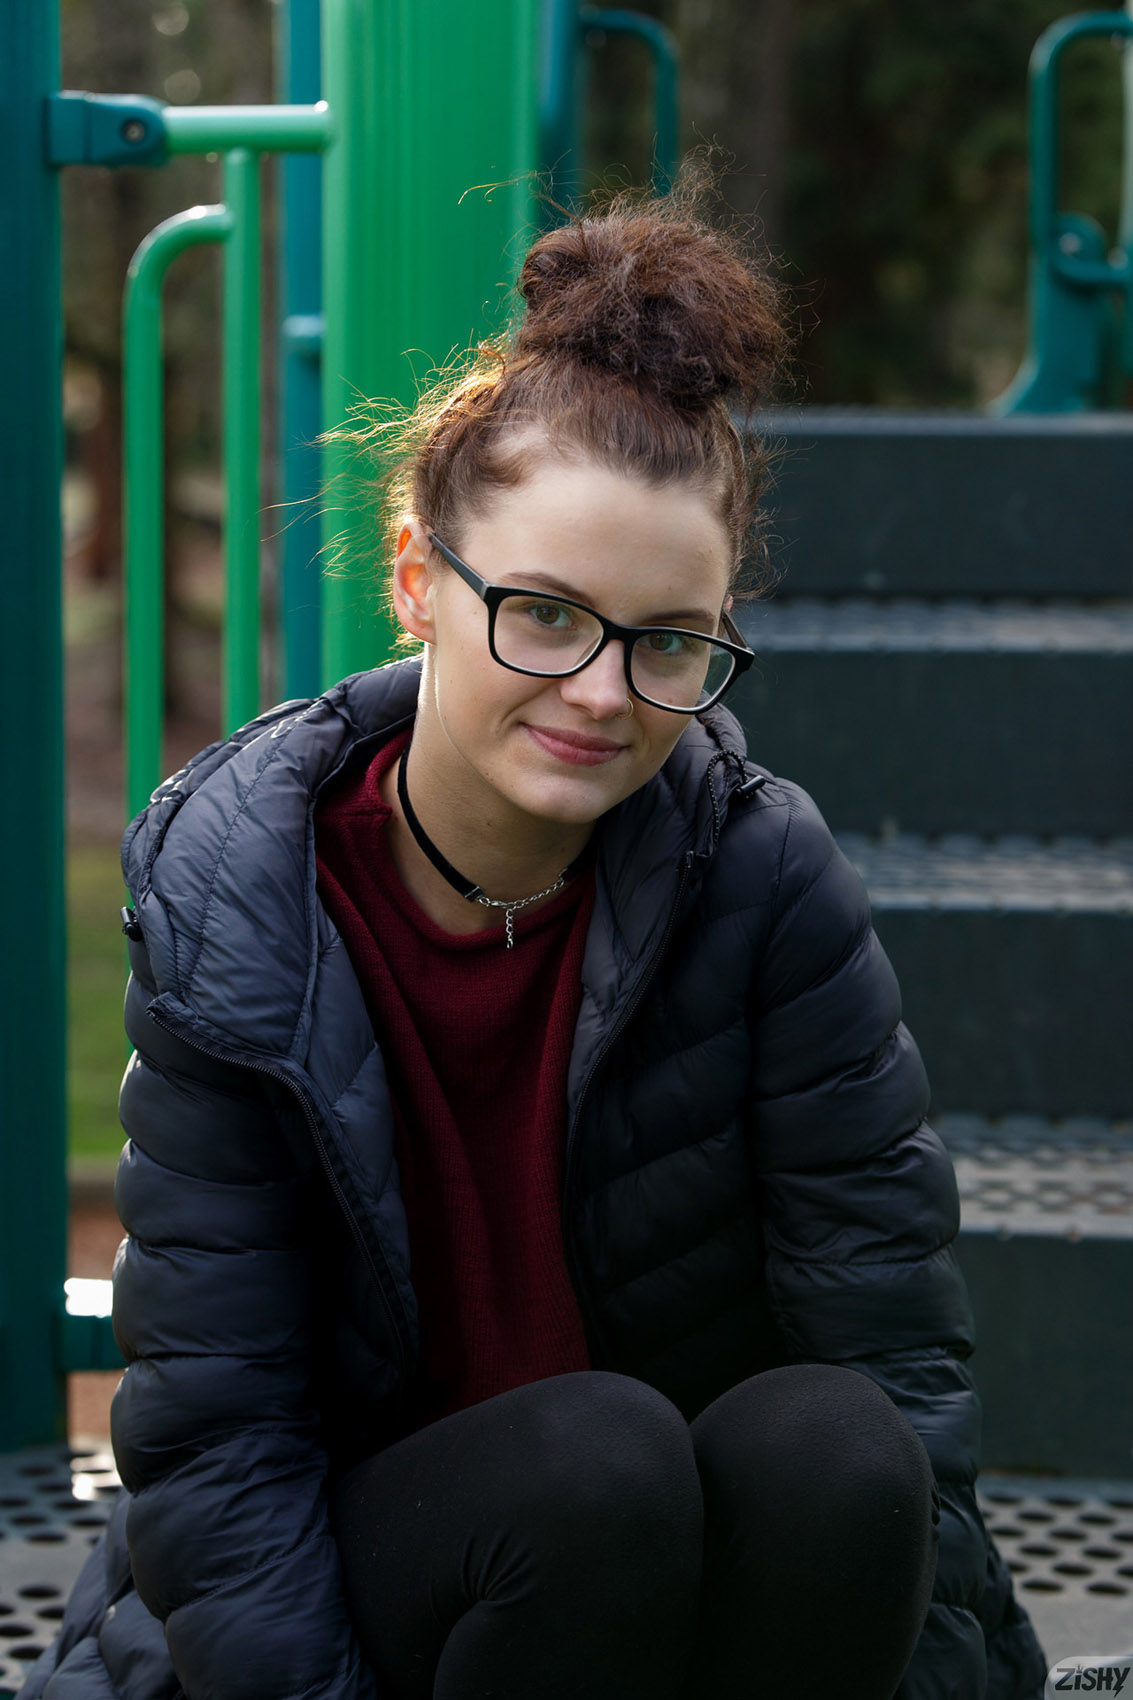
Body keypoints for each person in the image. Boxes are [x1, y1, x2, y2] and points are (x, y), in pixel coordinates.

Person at [23, 178, 1047, 1700]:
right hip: (382, 1593)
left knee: (838, 1445)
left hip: (664, 1584)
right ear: (416, 580)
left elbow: (892, 1349)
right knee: (588, 1466)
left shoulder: (762, 877)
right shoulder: (247, 901)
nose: (601, 694)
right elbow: (221, 1439)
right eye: (547, 615)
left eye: (667, 640)